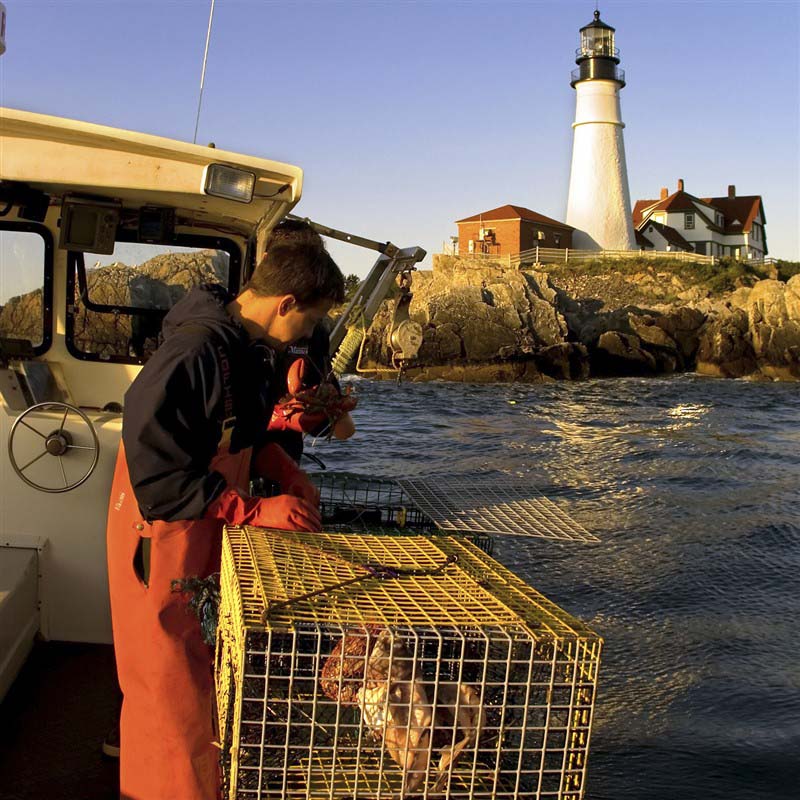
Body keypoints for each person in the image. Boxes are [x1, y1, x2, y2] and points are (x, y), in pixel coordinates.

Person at [106, 241, 345, 800]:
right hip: (159, 538)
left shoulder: (246, 347)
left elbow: (246, 433)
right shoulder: (192, 352)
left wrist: (286, 471)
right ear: (286, 303)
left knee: (203, 675)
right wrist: (257, 509)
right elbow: (159, 478)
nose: (312, 336)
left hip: (201, 532)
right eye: (312, 320)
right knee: (170, 690)